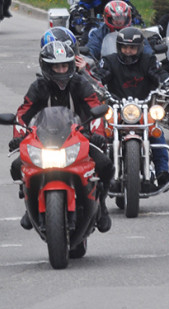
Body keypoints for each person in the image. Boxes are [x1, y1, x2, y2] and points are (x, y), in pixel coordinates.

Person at [11, 40, 112, 232]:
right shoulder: (38, 86)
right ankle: (29, 203)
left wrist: (97, 135)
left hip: (79, 137)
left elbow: (95, 108)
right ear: (46, 66)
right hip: (43, 140)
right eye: (56, 66)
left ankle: (102, 206)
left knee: (105, 164)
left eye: (64, 65)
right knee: (17, 166)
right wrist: (19, 137)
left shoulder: (81, 84)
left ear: (71, 65)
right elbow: (22, 114)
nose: (61, 70)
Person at [96, 27, 169, 188]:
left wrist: (166, 84)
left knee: (156, 132)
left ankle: (162, 172)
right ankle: (98, 174)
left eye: (132, 48)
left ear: (139, 48)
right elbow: (100, 74)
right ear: (119, 47)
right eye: (124, 47)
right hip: (116, 108)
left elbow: (158, 73)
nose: (128, 51)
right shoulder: (109, 61)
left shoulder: (148, 60)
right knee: (101, 137)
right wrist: (95, 83)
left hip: (143, 108)